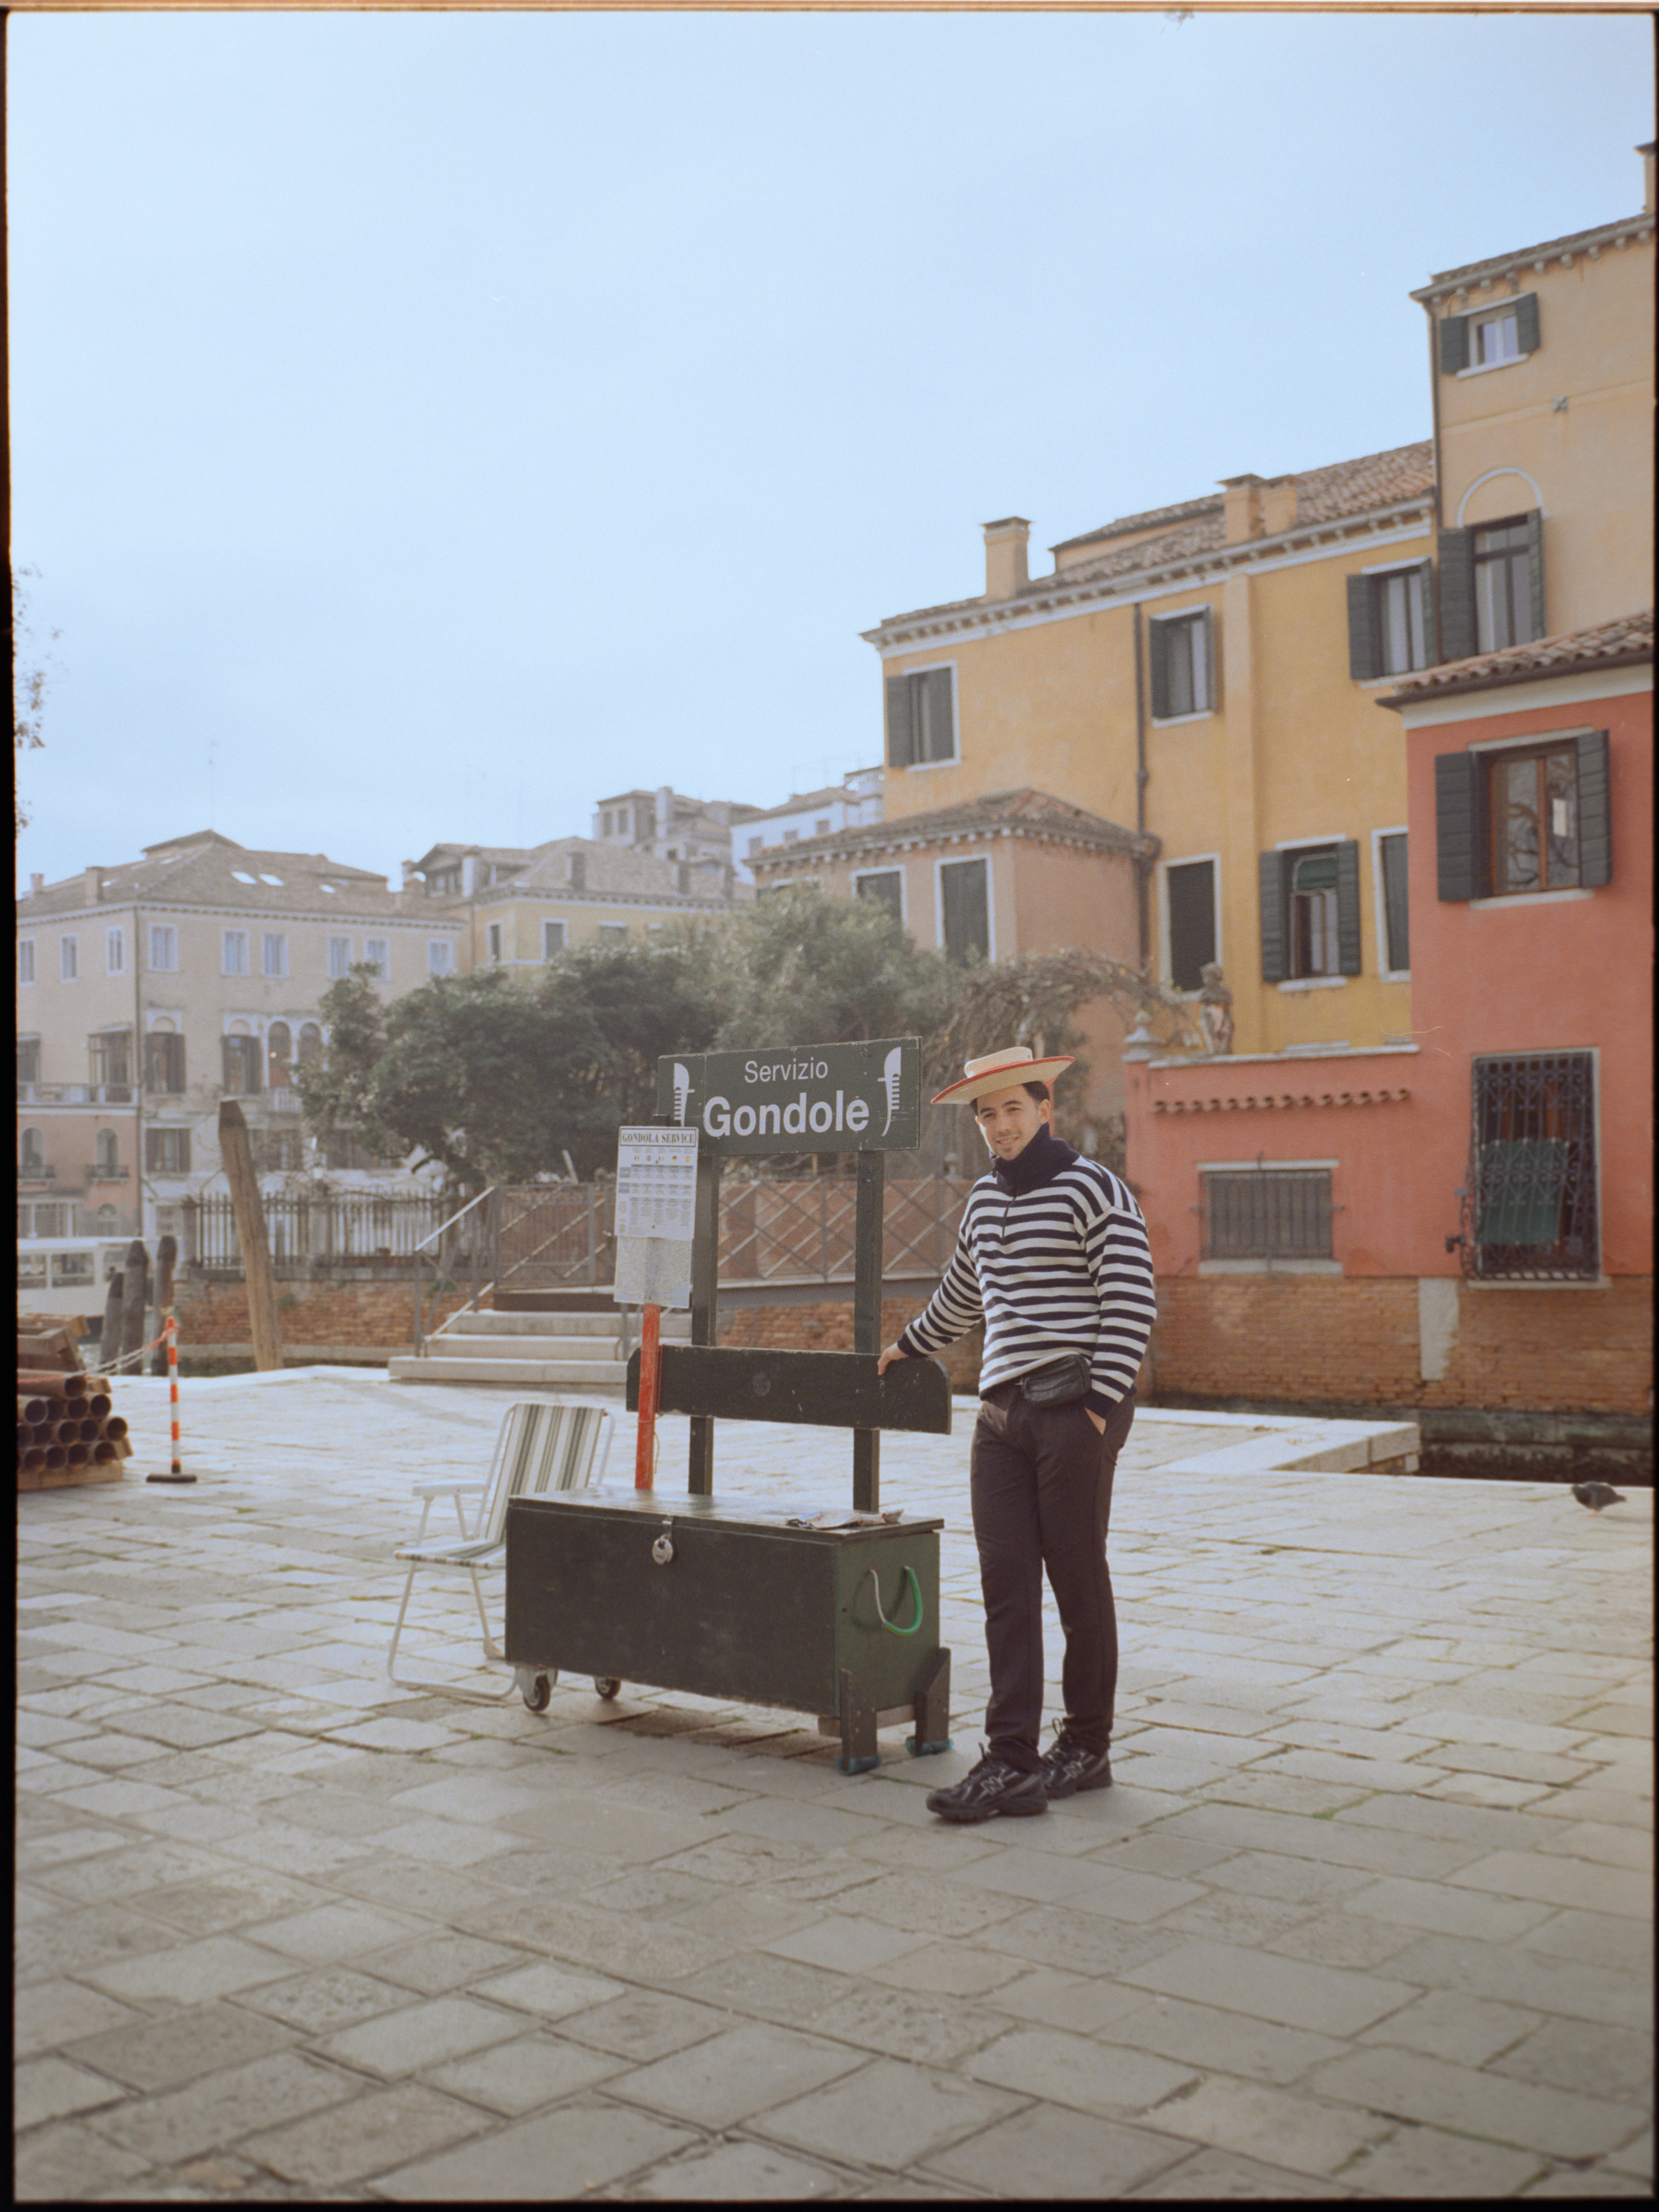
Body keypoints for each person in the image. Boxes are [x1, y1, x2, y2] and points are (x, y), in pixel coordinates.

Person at [877, 1045, 1155, 1821]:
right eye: (987, 1114)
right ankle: (1011, 1762)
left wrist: (1099, 1408)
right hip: (999, 1416)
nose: (1000, 1125)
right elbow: (962, 1298)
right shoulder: (983, 1202)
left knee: (1075, 1578)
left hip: (1074, 1410)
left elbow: (1132, 1299)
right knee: (1006, 1585)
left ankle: (1087, 1745)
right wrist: (906, 1347)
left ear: (1044, 1111)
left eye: (1013, 1109)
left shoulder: (1093, 1188)